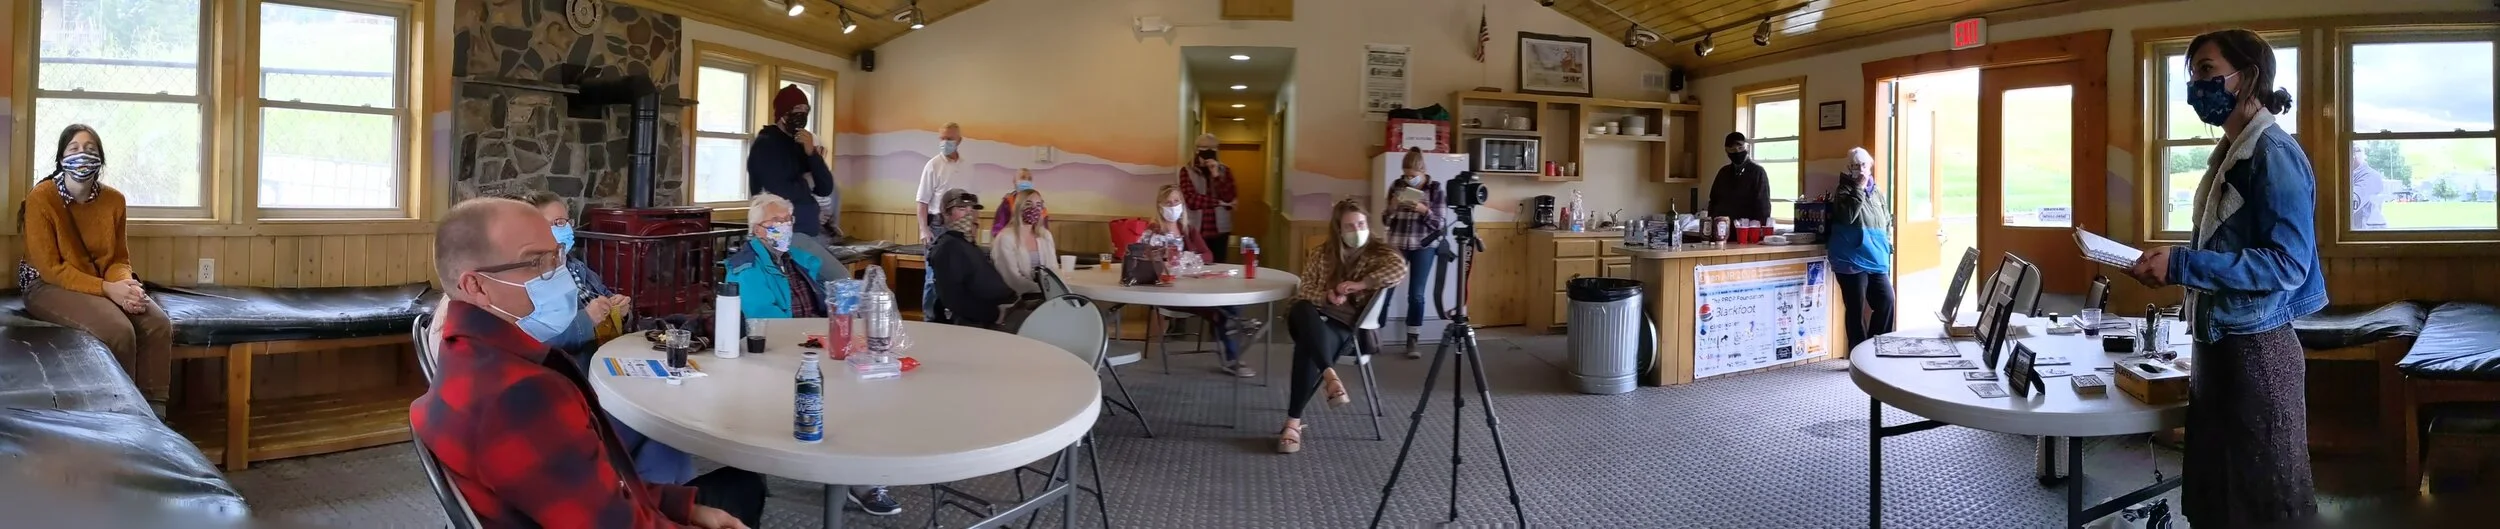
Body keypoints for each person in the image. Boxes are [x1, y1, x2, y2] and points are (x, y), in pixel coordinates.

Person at [411, 198, 764, 529]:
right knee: (745, 487)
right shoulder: (520, 395)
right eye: (536, 262)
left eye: (556, 256)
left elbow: (587, 486)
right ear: (476, 286)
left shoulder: (464, 354)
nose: (558, 273)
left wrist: (685, 506)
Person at [2125, 29, 2323, 527]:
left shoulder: (2273, 153)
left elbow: (2288, 264)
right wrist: (2173, 264)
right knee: (2216, 503)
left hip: (2257, 355)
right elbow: (2225, 246)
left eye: (2208, 71)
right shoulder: (2231, 151)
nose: (2197, 84)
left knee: (2259, 509)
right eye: (2193, 74)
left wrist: (2182, 266)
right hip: (2219, 349)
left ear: (2248, 76)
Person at [717, 194, 905, 517]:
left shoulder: (798, 258)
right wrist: (824, 337)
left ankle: (864, 468)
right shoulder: (745, 267)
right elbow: (770, 324)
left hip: (817, 346)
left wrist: (855, 303)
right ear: (758, 229)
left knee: (876, 377)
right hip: (780, 357)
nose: (785, 227)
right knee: (852, 396)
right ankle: (860, 480)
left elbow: (835, 291)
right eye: (777, 222)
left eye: (788, 221)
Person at [505, 191, 698, 486]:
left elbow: (606, 299)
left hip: (607, 369)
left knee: (666, 428)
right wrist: (588, 319)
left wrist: (620, 309)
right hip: (581, 392)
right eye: (556, 223)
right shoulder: (528, 283)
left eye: (566, 221)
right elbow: (535, 341)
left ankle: (650, 499)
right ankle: (652, 498)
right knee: (662, 425)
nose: (565, 229)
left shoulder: (575, 267)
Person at [18, 125, 176, 418]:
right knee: (118, 330)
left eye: (90, 150)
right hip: (46, 285)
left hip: (100, 280)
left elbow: (118, 259)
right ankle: (122, 415)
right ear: (61, 158)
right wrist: (108, 290)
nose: (83, 155)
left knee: (157, 323)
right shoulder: (41, 198)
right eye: (74, 149)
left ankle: (155, 414)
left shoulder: (114, 200)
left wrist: (127, 287)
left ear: (100, 159)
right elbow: (52, 269)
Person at [1276, 198, 1409, 454]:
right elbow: (1305, 289)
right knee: (1301, 308)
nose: (1357, 230)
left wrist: (1361, 284)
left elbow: (1398, 270)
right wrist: (1326, 296)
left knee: (1306, 347)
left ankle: (1293, 423)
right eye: (1349, 226)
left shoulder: (1379, 253)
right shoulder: (1321, 253)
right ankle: (1330, 376)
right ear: (1338, 229)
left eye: (1361, 224)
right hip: (1312, 314)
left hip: (1344, 326)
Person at [1145, 184, 1263, 377]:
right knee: (1222, 311)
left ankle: (1236, 332)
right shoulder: (1153, 231)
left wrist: (1188, 258)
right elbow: (1143, 256)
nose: (1173, 206)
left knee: (1230, 302)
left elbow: (1208, 255)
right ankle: (1237, 342)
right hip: (1167, 291)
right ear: (1159, 205)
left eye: (1176, 201)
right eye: (1168, 202)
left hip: (1193, 287)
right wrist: (1162, 257)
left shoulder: (1188, 230)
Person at [1379, 147, 1446, 358]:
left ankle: (1412, 339)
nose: (1409, 179)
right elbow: (1385, 221)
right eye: (1406, 175)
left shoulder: (1436, 189)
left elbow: (1440, 224)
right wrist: (1391, 208)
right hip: (1397, 243)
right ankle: (1374, 334)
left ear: (1423, 171)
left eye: (1412, 176)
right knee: (1385, 288)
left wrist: (1424, 211)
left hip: (1423, 246)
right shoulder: (1397, 186)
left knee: (1416, 294)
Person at [1826, 147, 1895, 350]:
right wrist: (1858, 188)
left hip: (1875, 257)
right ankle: (1858, 354)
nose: (1860, 169)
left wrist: (1887, 242)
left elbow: (1886, 220)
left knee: (1887, 301)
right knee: (1855, 309)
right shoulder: (1844, 190)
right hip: (1850, 259)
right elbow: (1848, 217)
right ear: (1849, 168)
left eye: (1863, 165)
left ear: (1870, 166)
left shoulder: (1878, 192)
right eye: (1855, 166)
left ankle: (1876, 349)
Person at [747, 84, 838, 237]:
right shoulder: (766, 144)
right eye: (797, 109)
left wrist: (812, 154)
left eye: (806, 110)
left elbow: (825, 187)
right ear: (783, 113)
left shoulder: (799, 144)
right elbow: (779, 191)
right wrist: (807, 183)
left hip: (808, 231)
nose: (802, 114)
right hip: (780, 232)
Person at [925, 189, 1017, 329]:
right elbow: (954, 300)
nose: (969, 214)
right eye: (962, 209)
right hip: (979, 322)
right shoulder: (948, 248)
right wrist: (995, 314)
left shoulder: (967, 244)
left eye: (973, 209)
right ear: (946, 214)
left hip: (1005, 310)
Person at [914, 123, 966, 321]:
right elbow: (922, 201)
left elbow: (973, 201)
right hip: (937, 225)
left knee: (959, 275)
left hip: (961, 226)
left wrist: (973, 227)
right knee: (933, 277)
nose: (945, 142)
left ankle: (953, 319)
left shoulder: (968, 166)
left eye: (949, 139)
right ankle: (930, 319)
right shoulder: (933, 165)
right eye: (942, 138)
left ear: (959, 141)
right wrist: (924, 229)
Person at [1177, 134, 1238, 263]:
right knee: (1194, 264)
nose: (1208, 152)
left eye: (1212, 148)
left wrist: (1216, 175)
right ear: (1196, 150)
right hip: (1195, 229)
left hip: (1220, 230)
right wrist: (1219, 202)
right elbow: (1192, 200)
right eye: (1204, 148)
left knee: (1219, 265)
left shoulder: (1225, 171)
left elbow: (1229, 197)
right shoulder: (1187, 171)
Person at [989, 188, 1058, 296]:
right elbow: (1013, 279)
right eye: (1028, 204)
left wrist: (1056, 290)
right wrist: (1044, 291)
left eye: (1038, 205)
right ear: (1018, 207)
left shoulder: (1045, 235)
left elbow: (1053, 269)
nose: (1034, 209)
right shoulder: (1005, 238)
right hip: (1018, 298)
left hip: (1047, 295)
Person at [1706, 132, 1772, 224]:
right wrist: (1712, 223)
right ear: (1727, 151)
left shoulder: (1757, 172)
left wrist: (1760, 228)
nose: (1737, 152)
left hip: (1747, 228)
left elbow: (1763, 205)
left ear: (1746, 147)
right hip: (1723, 227)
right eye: (1732, 149)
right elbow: (1713, 200)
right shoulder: (1723, 172)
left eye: (1740, 148)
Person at [991, 168, 1045, 239]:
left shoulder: (1039, 203)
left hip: (1033, 239)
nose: (1026, 181)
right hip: (1011, 239)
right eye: (1023, 177)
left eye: (1029, 179)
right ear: (1014, 181)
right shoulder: (1008, 202)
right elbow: (998, 228)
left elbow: (1043, 226)